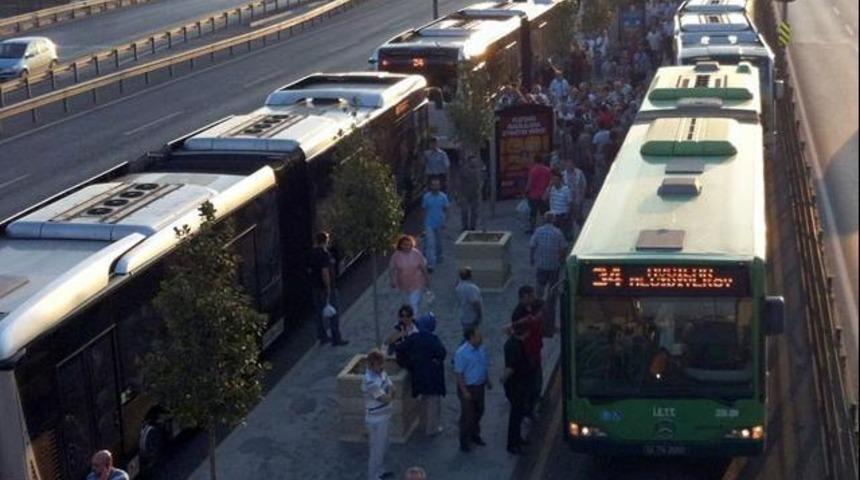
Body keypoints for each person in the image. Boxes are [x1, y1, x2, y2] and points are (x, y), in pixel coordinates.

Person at [398, 313, 447, 436]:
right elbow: (442, 353)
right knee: (433, 403)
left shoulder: (414, 338)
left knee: (424, 401)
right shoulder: (433, 339)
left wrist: (407, 363)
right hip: (433, 376)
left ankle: (423, 424)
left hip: (418, 375)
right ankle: (432, 428)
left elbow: (400, 349)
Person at [454, 326, 492, 452]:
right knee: (467, 416)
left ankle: (475, 434)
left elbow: (483, 365)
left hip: (479, 387)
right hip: (468, 388)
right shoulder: (461, 353)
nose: (480, 337)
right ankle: (464, 442)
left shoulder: (481, 348)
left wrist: (487, 380)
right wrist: (464, 391)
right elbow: (459, 374)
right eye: (478, 336)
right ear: (471, 338)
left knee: (479, 411)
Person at [510, 285, 545, 418]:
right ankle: (528, 408)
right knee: (530, 382)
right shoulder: (518, 314)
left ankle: (534, 399)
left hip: (536, 350)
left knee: (537, 379)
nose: (532, 299)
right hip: (526, 354)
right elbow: (518, 333)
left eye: (532, 296)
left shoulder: (535, 305)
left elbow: (543, 304)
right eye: (528, 297)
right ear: (521, 298)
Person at [309, 231, 348, 346]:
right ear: (325, 240)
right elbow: (325, 272)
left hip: (315, 288)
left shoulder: (311, 253)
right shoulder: (325, 254)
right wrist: (328, 287)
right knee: (333, 313)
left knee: (318, 314)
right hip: (326, 289)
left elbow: (309, 270)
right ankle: (336, 338)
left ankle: (322, 337)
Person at [362, 349, 395, 480]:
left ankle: (380, 471)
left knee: (384, 446)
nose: (382, 367)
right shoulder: (370, 382)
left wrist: (389, 394)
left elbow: (391, 387)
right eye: (379, 365)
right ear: (371, 365)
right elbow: (385, 398)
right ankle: (373, 476)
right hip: (376, 420)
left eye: (382, 364)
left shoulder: (381, 373)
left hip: (385, 417)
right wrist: (390, 394)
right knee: (376, 449)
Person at [502, 322, 532, 454]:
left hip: (519, 383)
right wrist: (503, 378)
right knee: (515, 415)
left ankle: (517, 438)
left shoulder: (513, 342)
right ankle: (512, 443)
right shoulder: (515, 346)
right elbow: (511, 367)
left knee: (518, 414)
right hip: (516, 385)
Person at [529, 212, 568, 299]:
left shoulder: (538, 231)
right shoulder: (558, 232)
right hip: (554, 264)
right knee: (553, 286)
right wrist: (562, 260)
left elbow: (532, 245)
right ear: (554, 220)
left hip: (542, 264)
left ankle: (539, 301)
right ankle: (551, 303)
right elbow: (563, 248)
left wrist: (531, 258)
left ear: (544, 219)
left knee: (540, 285)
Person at [389, 235, 430, 316]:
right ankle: (406, 319)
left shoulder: (417, 254)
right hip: (403, 284)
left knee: (413, 303)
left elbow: (423, 267)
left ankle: (413, 320)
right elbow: (391, 268)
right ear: (400, 245)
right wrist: (392, 280)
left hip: (416, 283)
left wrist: (427, 279)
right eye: (404, 244)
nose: (407, 247)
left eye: (408, 244)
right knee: (405, 304)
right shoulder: (396, 255)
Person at [421, 178, 450, 271]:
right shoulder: (426, 197)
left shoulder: (443, 197)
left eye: (437, 185)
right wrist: (423, 224)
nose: (435, 187)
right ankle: (431, 264)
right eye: (433, 185)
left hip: (439, 224)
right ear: (431, 186)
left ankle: (439, 255)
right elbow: (424, 210)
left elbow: (446, 209)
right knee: (431, 244)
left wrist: (445, 222)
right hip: (429, 224)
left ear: (439, 186)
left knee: (438, 242)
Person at [523, 155, 552, 233]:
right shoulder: (548, 170)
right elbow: (550, 182)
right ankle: (546, 227)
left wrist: (526, 191)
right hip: (544, 195)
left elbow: (530, 182)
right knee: (544, 212)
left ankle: (532, 228)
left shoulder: (533, 170)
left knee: (533, 213)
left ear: (535, 161)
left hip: (534, 195)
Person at [455, 153, 483, 231]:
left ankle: (472, 227)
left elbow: (480, 181)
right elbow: (458, 182)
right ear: (469, 162)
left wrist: (480, 189)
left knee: (474, 211)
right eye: (472, 162)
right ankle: (465, 227)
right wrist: (458, 194)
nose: (474, 163)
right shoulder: (463, 170)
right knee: (464, 211)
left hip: (475, 194)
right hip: (464, 193)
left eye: (475, 162)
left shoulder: (478, 171)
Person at [544, 170, 572, 238]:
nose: (554, 181)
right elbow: (544, 198)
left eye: (556, 179)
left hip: (562, 214)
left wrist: (568, 214)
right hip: (553, 214)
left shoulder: (566, 189)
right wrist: (549, 187)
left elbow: (570, 202)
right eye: (553, 179)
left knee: (562, 234)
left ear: (560, 180)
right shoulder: (551, 189)